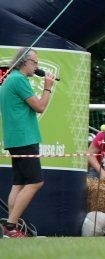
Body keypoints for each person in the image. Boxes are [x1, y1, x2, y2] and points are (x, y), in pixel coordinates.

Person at [0, 47, 55, 237]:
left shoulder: (10, 79)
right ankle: (11, 226)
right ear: (25, 62)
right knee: (36, 182)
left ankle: (10, 227)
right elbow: (39, 107)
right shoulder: (19, 80)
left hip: (15, 138)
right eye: (35, 62)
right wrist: (48, 87)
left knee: (19, 183)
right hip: (24, 138)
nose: (36, 67)